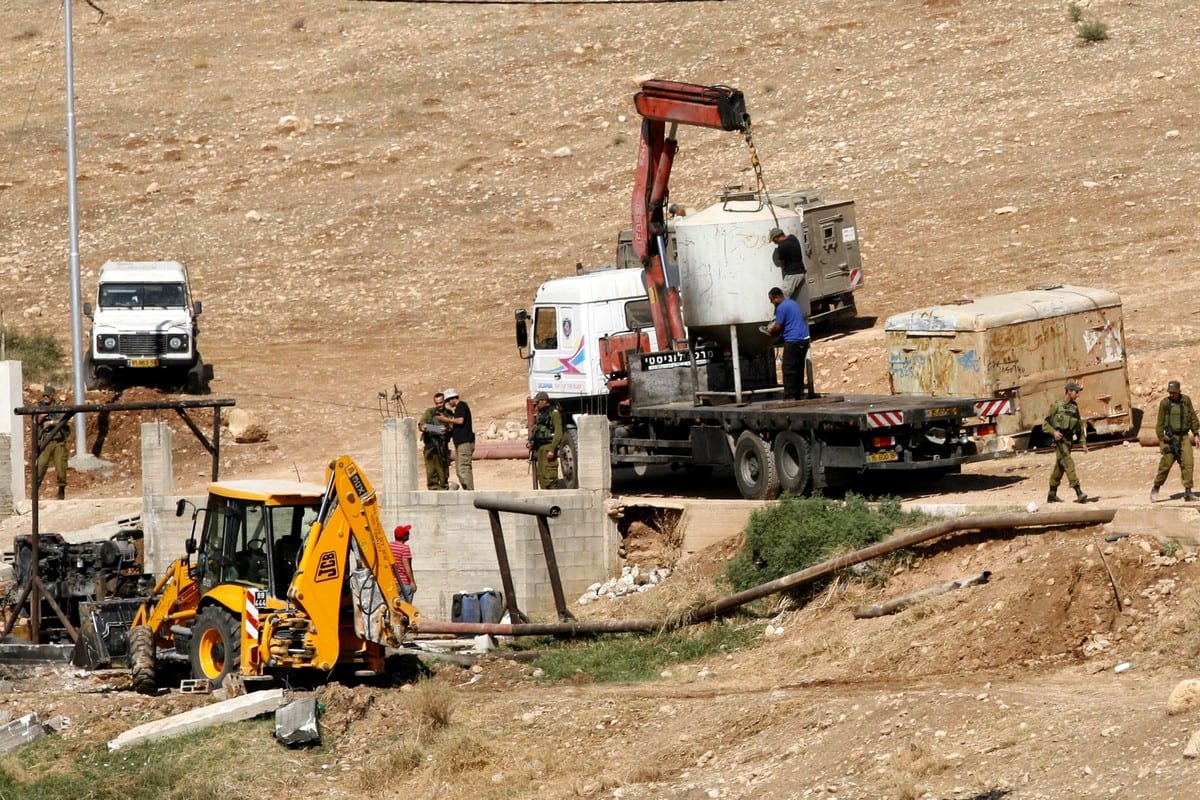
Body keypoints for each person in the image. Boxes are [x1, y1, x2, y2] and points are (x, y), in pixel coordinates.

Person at [1151, 380, 1200, 502]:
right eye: (1170, 392)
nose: (1171, 394)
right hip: (1170, 438)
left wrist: (1196, 434)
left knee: (1188, 463)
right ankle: (1156, 487)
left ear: (1179, 392)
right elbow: (1159, 424)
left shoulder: (1186, 401)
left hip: (1184, 437)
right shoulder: (1165, 403)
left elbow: (1193, 417)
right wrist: (1162, 442)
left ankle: (1188, 492)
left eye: (1174, 392)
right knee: (1165, 465)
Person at [1042, 381, 1088, 503]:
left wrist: (1083, 442)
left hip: (1069, 442)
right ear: (1069, 392)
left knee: (1059, 468)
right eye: (1076, 392)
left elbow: (1078, 425)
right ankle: (1079, 492)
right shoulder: (1056, 406)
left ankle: (1052, 494)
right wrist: (1054, 433)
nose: (1078, 395)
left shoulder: (1074, 407)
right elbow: (1045, 424)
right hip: (1060, 442)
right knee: (1068, 463)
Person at [765, 286, 812, 400]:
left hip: (793, 340)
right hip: (804, 338)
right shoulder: (793, 303)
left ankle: (790, 395)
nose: (772, 303)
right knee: (799, 367)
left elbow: (778, 326)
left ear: (776, 298)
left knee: (788, 368)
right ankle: (799, 393)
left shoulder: (781, 307)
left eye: (771, 300)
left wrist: (770, 331)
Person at [35, 385, 70, 501]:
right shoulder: (41, 407)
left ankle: (61, 492)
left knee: (61, 467)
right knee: (41, 466)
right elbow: (36, 422)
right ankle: (34, 493)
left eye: (47, 396)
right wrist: (41, 418)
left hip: (58, 440)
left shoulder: (59, 406)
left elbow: (62, 420)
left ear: (52, 396)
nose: (45, 398)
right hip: (46, 440)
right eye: (44, 395)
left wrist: (50, 422)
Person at [439, 388, 475, 490]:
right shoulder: (432, 413)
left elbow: (460, 421)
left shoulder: (461, 406)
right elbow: (424, 426)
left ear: (452, 399)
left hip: (464, 442)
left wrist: (445, 419)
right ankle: (467, 490)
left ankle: (469, 492)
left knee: (463, 468)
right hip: (457, 444)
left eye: (446, 401)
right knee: (459, 469)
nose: (447, 404)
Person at [527, 391, 563, 490]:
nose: (537, 405)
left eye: (538, 402)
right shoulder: (541, 415)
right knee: (541, 476)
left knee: (549, 476)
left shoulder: (554, 413)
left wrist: (552, 449)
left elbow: (558, 432)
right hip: (540, 448)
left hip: (548, 447)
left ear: (544, 401)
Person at [769, 226, 809, 311]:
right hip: (801, 272)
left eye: (774, 241)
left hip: (792, 275)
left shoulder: (782, 247)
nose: (775, 243)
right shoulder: (793, 237)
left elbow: (782, 262)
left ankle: (778, 320)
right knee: (792, 299)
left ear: (776, 238)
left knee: (780, 298)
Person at [418, 392, 451, 490]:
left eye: (441, 402)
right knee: (431, 471)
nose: (439, 405)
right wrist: (435, 429)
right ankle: (434, 489)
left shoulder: (448, 413)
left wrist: (444, 427)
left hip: (442, 446)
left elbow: (450, 427)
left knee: (443, 471)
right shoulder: (430, 412)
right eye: (437, 403)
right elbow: (421, 426)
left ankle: (444, 488)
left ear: (444, 402)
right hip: (431, 445)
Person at [390, 524, 416, 603]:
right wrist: (412, 582)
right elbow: (407, 567)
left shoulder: (389, 546)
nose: (409, 534)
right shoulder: (404, 548)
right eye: (407, 533)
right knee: (405, 610)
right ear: (403, 536)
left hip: (392, 583)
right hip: (403, 583)